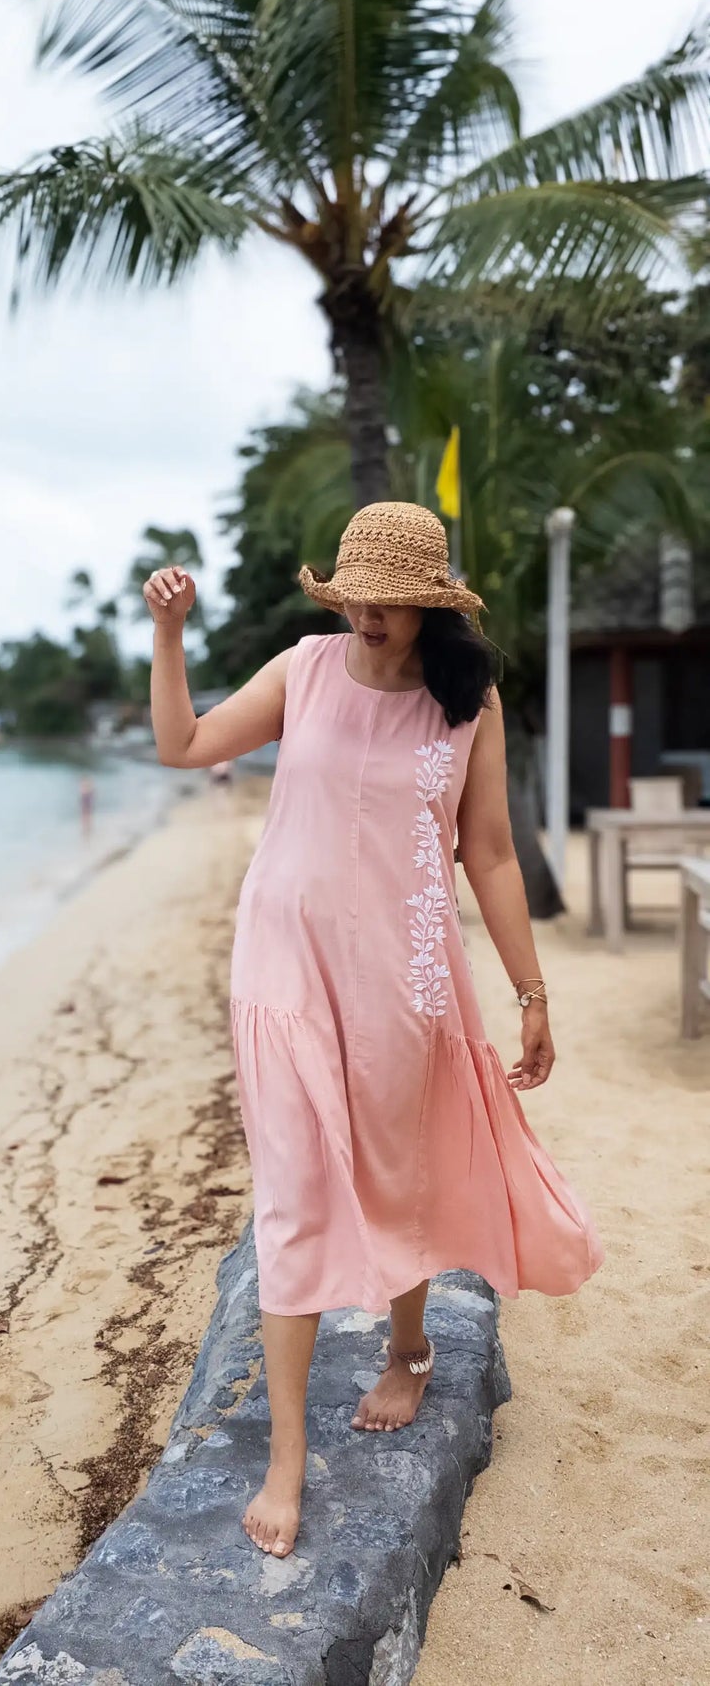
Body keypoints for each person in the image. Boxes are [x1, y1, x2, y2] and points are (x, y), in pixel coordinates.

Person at [144, 501, 604, 1562]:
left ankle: (408, 1350)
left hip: (401, 974)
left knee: (392, 1167)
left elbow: (485, 855)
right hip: (284, 969)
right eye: (350, 593)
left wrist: (532, 995)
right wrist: (168, 637)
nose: (363, 613)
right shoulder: (301, 670)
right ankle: (287, 1459)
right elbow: (181, 744)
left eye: (384, 599)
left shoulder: (465, 702)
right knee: (296, 1191)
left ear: (427, 603)